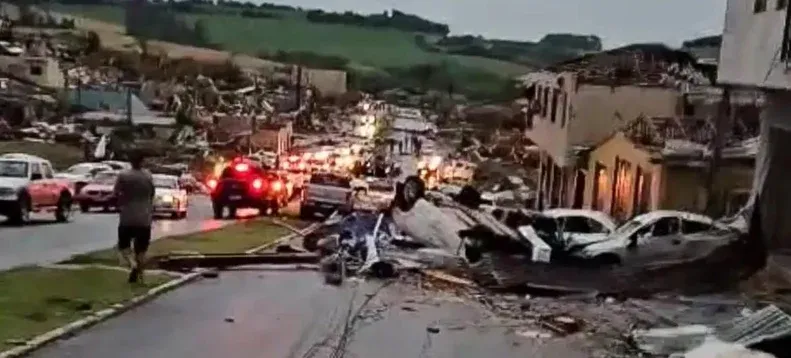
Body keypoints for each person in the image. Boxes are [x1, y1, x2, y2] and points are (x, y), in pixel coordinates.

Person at [113, 152, 155, 284]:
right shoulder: (148, 176)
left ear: (130, 162)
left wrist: (120, 203)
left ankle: (132, 264)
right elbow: (152, 193)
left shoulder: (123, 175)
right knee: (141, 250)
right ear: (142, 162)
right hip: (144, 217)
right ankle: (141, 278)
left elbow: (115, 193)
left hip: (127, 216)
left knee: (123, 246)